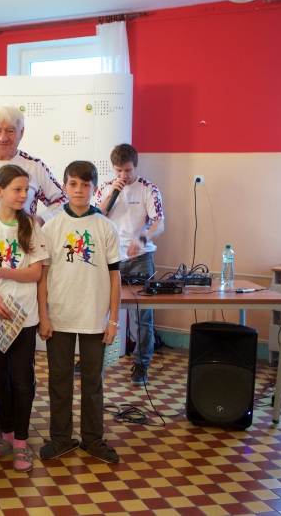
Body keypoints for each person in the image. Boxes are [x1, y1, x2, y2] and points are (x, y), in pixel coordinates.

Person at [37, 161, 125, 464]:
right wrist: (44, 315)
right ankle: (61, 438)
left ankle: (93, 439)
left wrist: (113, 320)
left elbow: (115, 277)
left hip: (94, 318)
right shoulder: (51, 227)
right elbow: (42, 277)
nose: (78, 190)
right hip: (59, 316)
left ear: (94, 189)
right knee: (59, 382)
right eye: (73, 184)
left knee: (92, 383)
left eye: (85, 185)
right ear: (64, 187)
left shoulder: (105, 226)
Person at [0, 164, 49, 473]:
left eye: (26, 189)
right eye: (17, 189)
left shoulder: (31, 226)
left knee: (22, 379)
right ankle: (6, 436)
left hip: (23, 318)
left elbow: (36, 272)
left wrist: (4, 272)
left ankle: (21, 442)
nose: (23, 195)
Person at [93, 144, 165, 386]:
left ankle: (141, 364)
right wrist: (110, 196)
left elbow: (159, 223)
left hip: (139, 259)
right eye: (118, 171)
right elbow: (94, 217)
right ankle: (93, 359)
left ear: (136, 165)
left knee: (141, 315)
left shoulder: (148, 189)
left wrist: (142, 239)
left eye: (127, 170)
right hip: (110, 257)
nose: (123, 175)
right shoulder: (105, 188)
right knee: (98, 309)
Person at [0, 105, 67, 224]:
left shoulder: (35, 166)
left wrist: (42, 219)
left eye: (10, 131)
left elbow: (63, 200)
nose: (3, 138)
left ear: (21, 132)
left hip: (20, 235)